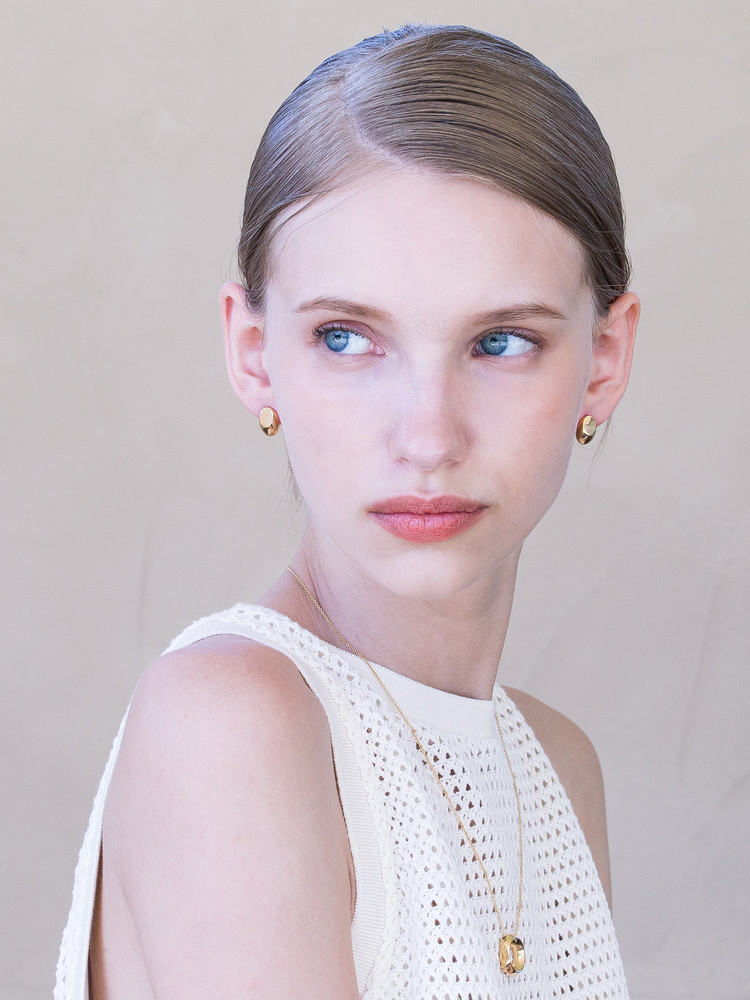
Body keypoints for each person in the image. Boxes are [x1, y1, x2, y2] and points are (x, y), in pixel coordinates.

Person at [56, 23, 639, 1000]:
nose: (428, 436)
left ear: (605, 361)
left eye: (500, 342)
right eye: (345, 337)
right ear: (252, 353)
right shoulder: (231, 723)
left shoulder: (559, 769)